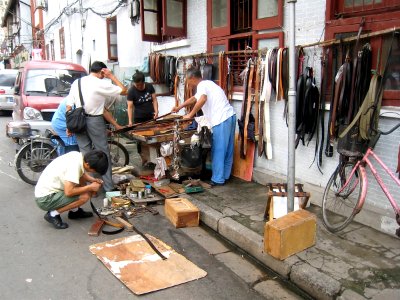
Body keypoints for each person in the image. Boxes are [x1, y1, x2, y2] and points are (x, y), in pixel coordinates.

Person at [66, 61, 127, 193]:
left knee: (85, 156)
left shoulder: (77, 82)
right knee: (103, 154)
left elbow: (69, 105)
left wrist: (69, 125)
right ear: (102, 72)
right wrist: (111, 76)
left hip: (77, 120)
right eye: (104, 74)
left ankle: (91, 188)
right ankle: (108, 188)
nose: (104, 76)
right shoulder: (100, 83)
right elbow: (124, 90)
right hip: (94, 120)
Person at [171, 66, 236, 186]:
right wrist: (179, 107)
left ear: (192, 78)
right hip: (230, 116)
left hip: (221, 119)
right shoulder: (208, 84)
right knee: (228, 149)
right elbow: (194, 99)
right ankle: (225, 176)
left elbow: (203, 99)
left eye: (187, 80)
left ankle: (218, 179)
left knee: (219, 150)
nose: (187, 83)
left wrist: (190, 115)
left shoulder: (202, 86)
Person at [34, 150, 108, 229]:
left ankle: (75, 212)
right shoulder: (75, 167)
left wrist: (92, 180)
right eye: (95, 171)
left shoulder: (78, 156)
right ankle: (52, 214)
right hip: (45, 199)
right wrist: (90, 187)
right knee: (85, 195)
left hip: (46, 192)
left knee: (81, 182)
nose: (95, 172)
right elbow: (68, 192)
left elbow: (81, 173)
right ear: (87, 164)